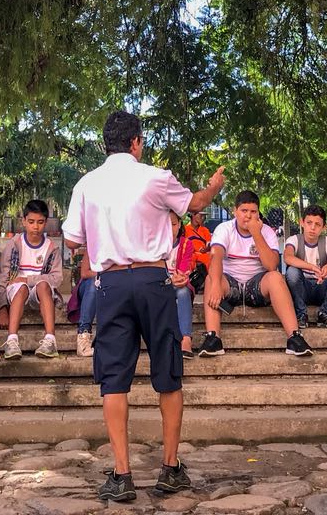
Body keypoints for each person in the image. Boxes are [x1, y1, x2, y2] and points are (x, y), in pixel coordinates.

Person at [63, 110, 225, 501]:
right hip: (153, 280)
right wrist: (215, 186)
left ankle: (122, 473)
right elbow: (196, 202)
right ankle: (170, 468)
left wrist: (106, 238)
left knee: (113, 379)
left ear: (107, 144)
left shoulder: (87, 183)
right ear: (136, 142)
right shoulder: (155, 177)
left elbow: (71, 240)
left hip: (112, 283)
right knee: (168, 372)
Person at [199, 190, 312, 358]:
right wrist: (216, 284)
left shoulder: (266, 231)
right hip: (231, 284)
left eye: (253, 212)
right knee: (211, 279)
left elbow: (271, 265)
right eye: (244, 211)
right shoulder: (224, 229)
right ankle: (213, 338)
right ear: (235, 211)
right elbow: (216, 257)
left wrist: (256, 233)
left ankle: (294, 337)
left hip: (256, 285)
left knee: (275, 277)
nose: (248, 216)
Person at [0, 199, 64, 359]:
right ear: (24, 221)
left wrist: (28, 280)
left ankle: (50, 340)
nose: (36, 227)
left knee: (43, 285)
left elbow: (56, 278)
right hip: (16, 292)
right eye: (31, 222)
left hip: (39, 293)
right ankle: (12, 341)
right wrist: (2, 308)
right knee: (21, 288)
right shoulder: (14, 244)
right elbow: (3, 278)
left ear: (46, 223)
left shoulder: (51, 248)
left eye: (40, 222)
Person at [282, 205, 327, 328]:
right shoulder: (294, 239)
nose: (312, 228)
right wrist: (311, 267)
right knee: (292, 272)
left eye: (317, 224)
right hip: (302, 289)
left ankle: (325, 312)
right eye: (309, 223)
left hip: (321, 288)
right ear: (302, 223)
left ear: (323, 227)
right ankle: (301, 314)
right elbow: (288, 257)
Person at [169, 211, 197, 356]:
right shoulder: (153, 244)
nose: (170, 229)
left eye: (173, 224)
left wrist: (179, 279)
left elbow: (184, 270)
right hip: (157, 284)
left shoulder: (186, 244)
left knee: (183, 291)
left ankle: (186, 338)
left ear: (180, 224)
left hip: (178, 283)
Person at [70, 248, 98, 358]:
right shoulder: (94, 244)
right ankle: (83, 335)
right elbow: (84, 273)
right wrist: (105, 274)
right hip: (91, 284)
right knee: (94, 283)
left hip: (111, 288)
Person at [184, 210, 212, 292]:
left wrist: (206, 249)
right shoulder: (185, 229)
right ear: (193, 215)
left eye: (204, 216)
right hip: (190, 253)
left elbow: (209, 243)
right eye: (201, 216)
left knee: (210, 258)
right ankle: (187, 282)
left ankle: (209, 283)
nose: (203, 218)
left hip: (203, 254)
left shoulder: (205, 230)